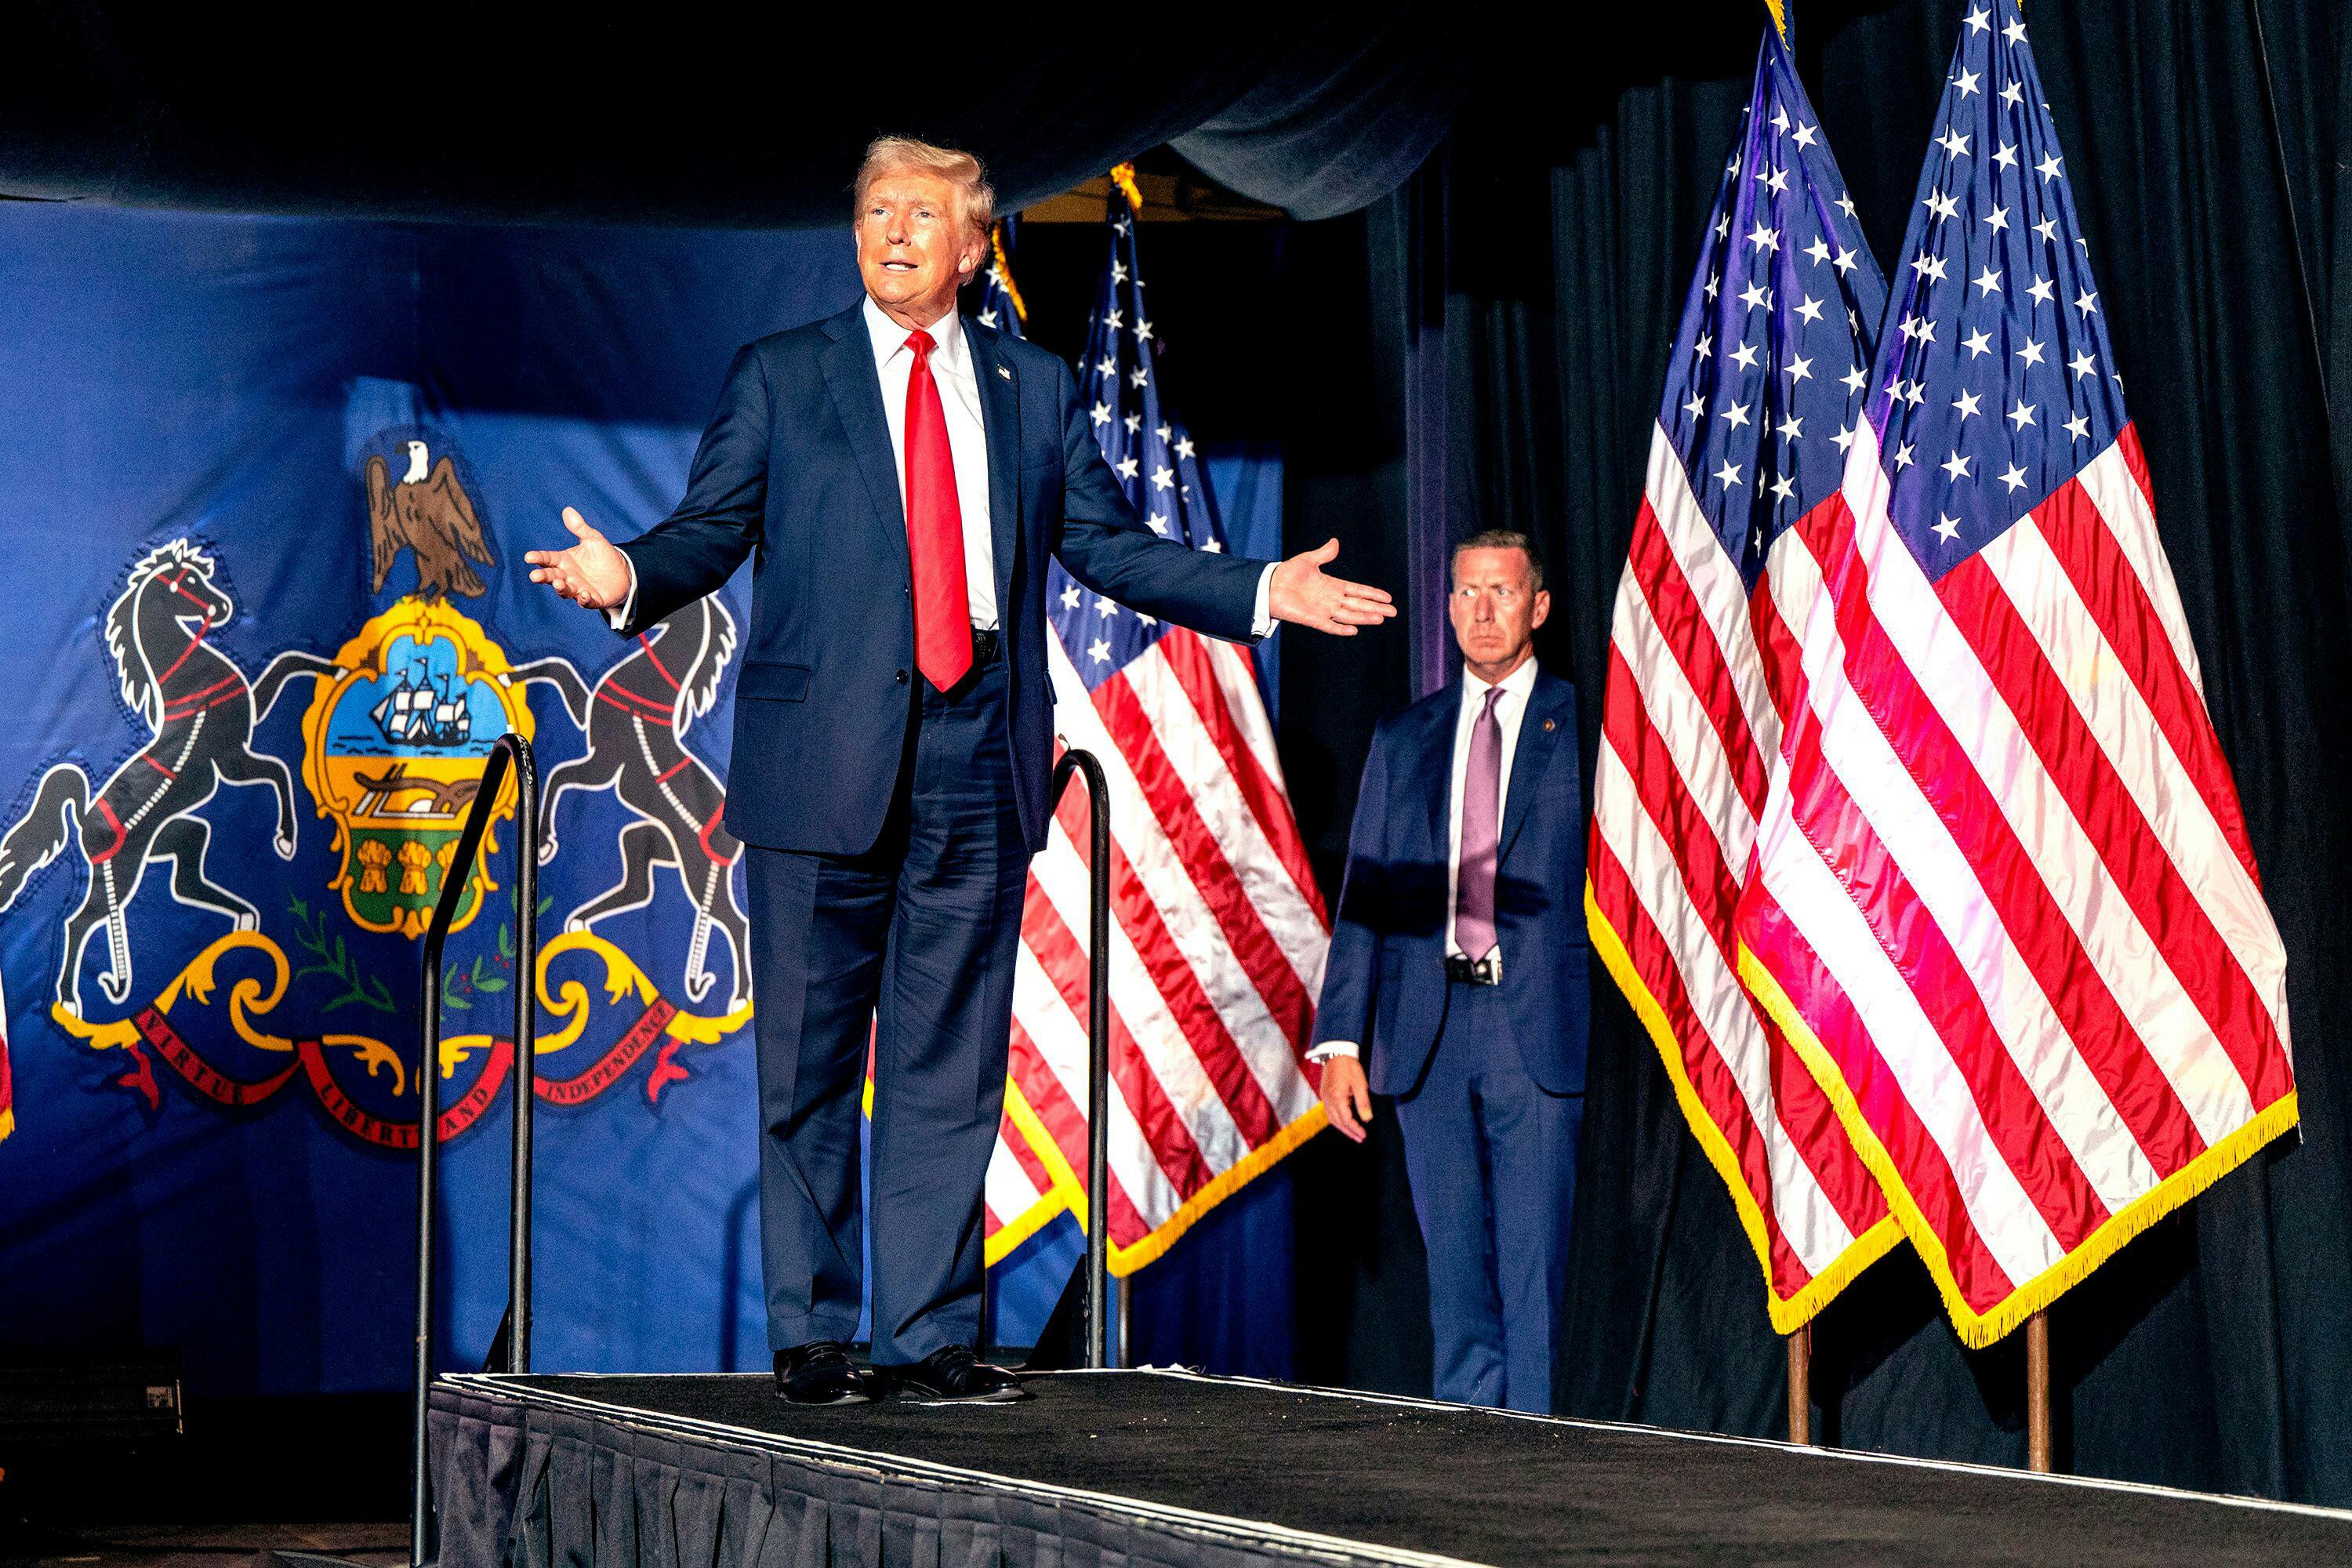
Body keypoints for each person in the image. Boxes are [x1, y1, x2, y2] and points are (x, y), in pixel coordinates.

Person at [524, 137, 1394, 1404]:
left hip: (977, 758)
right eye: (875, 210)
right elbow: (709, 529)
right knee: (808, 1069)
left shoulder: (1033, 389)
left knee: (949, 1069)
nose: (891, 232)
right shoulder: (783, 377)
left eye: (920, 215)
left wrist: (1259, 587)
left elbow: (1109, 546)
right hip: (822, 768)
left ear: (975, 243)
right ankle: (816, 1332)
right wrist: (632, 577)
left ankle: (928, 1335)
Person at [1310, 530, 1588, 1414]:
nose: (1481, 610)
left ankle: (1539, 1472)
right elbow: (1367, 892)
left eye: (1500, 592)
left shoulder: (1587, 724)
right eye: (1466, 592)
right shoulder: (1407, 735)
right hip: (1426, 1031)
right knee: (1455, 1267)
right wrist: (1342, 1040)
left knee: (1535, 1267)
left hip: (1533, 1025)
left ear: (1537, 606)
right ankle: (1468, 1460)